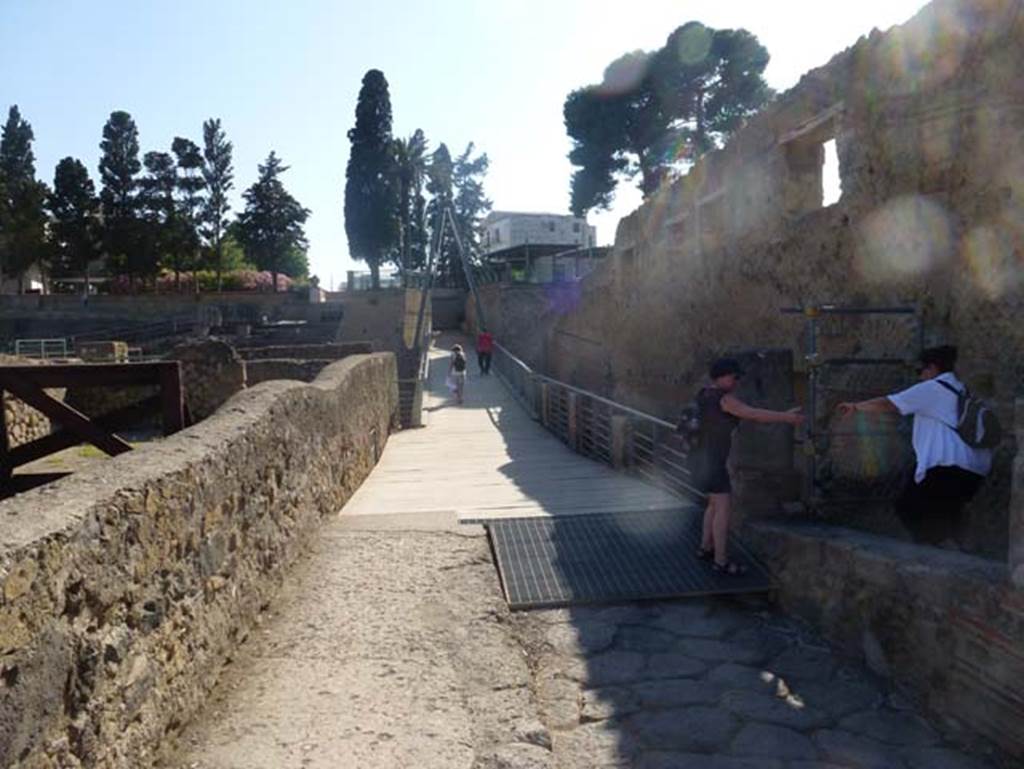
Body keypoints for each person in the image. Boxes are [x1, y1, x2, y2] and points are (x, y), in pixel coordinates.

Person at [837, 345, 991, 547]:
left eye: (921, 371)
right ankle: (955, 545)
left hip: (947, 467)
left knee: (907, 506)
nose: (920, 377)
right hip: (976, 469)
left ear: (933, 368)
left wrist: (856, 407)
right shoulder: (963, 390)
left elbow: (890, 403)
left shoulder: (934, 388)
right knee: (945, 510)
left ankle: (936, 549)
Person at [692, 358, 805, 575]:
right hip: (714, 462)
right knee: (723, 509)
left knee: (713, 505)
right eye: (734, 377)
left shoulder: (704, 394)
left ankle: (705, 548)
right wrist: (787, 418)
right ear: (723, 376)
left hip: (699, 460)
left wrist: (785, 414)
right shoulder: (724, 399)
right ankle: (721, 561)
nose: (736, 382)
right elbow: (753, 414)